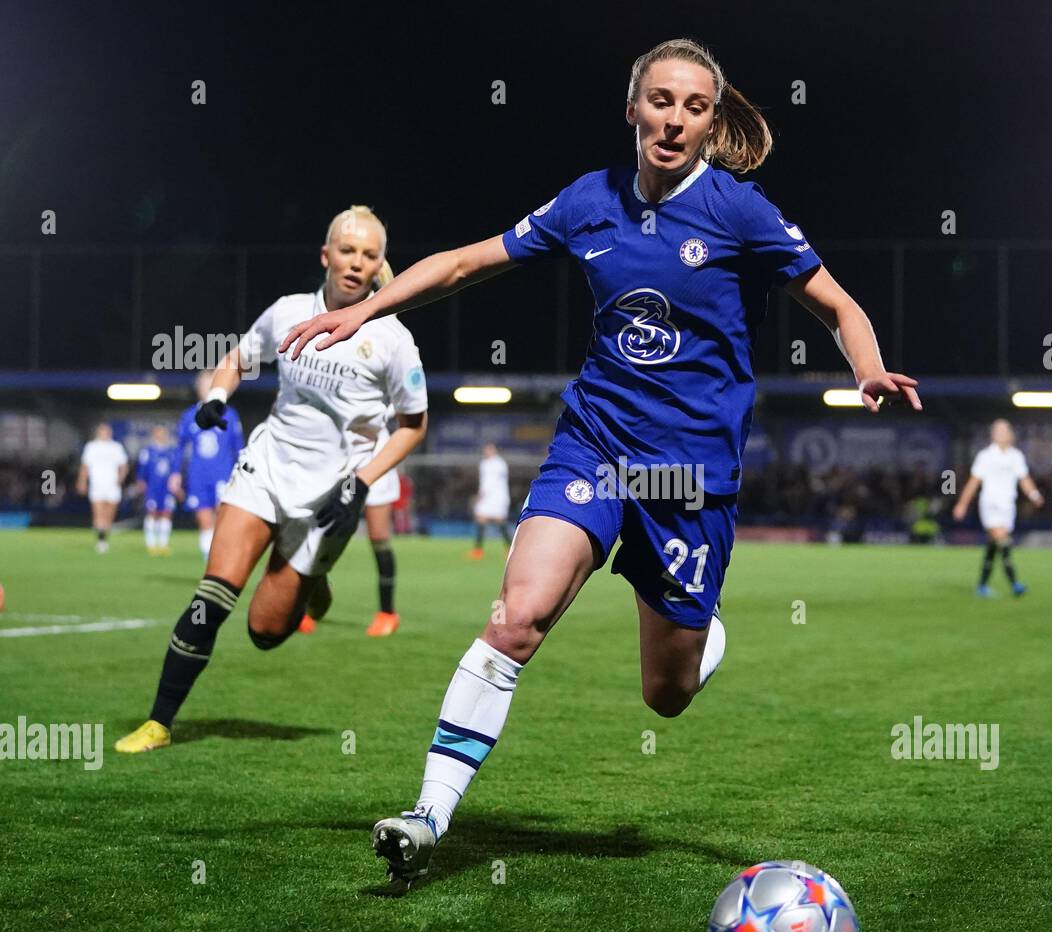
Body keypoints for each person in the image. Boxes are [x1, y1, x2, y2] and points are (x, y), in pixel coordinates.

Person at [281, 39, 921, 886]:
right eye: (660, 101)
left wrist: (866, 365)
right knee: (517, 616)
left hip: (690, 480)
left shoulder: (740, 212)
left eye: (695, 107)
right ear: (633, 109)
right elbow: (469, 261)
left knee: (667, 691)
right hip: (597, 445)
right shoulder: (591, 201)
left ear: (711, 121)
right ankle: (429, 813)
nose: (675, 120)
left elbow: (837, 304)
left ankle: (700, 638)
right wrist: (364, 313)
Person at [115, 205, 429, 753]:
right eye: (348, 250)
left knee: (264, 633)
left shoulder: (392, 339)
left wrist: (361, 482)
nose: (357, 263)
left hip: (330, 497)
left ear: (381, 264)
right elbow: (237, 358)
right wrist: (216, 397)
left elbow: (413, 425)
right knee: (212, 596)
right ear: (326, 255)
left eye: (370, 254)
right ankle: (159, 723)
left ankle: (312, 583)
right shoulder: (288, 312)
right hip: (265, 471)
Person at [298, 410, 406, 638]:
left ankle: (387, 613)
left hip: (378, 457)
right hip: (342, 457)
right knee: (323, 530)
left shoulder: (392, 375)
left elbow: (409, 411)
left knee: (378, 537)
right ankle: (307, 606)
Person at [952, 419, 1044, 597]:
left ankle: (981, 586)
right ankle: (1015, 583)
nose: (1001, 434)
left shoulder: (1016, 456)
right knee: (1003, 540)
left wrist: (1035, 495)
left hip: (1008, 505)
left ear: (1010, 434)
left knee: (994, 545)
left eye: (1004, 431)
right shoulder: (985, 456)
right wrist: (962, 504)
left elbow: (1024, 478)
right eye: (997, 431)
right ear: (993, 435)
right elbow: (973, 482)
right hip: (990, 503)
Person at [174, 369, 244, 558]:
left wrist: (243, 474)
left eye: (210, 384)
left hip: (223, 474)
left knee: (224, 519)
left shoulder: (230, 415)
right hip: (198, 474)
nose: (206, 388)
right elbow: (180, 448)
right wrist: (176, 474)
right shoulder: (189, 416)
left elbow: (239, 448)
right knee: (203, 518)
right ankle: (209, 560)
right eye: (203, 384)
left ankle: (223, 557)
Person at [77, 423, 129, 553]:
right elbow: (85, 466)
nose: (105, 433)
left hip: (112, 485)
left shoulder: (116, 447)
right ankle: (100, 541)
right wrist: (82, 482)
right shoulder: (91, 447)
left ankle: (104, 538)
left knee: (109, 515)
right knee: (98, 513)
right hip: (97, 484)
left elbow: (124, 466)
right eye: (102, 431)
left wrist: (120, 478)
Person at [134, 424, 181, 555]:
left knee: (166, 513)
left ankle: (163, 544)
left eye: (163, 433)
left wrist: (177, 487)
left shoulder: (172, 451)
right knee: (152, 513)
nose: (161, 435)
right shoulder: (148, 451)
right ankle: (151, 544)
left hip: (167, 488)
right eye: (158, 433)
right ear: (154, 435)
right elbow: (142, 469)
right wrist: (141, 482)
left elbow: (176, 471)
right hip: (153, 487)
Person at [468, 442, 511, 559]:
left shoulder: (499, 464)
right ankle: (478, 550)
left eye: (489, 449)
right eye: (486, 449)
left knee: (500, 521)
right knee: (480, 519)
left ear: (494, 450)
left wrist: (480, 496)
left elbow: (492, 482)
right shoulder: (484, 463)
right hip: (487, 497)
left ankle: (510, 549)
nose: (486, 451)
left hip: (498, 497)